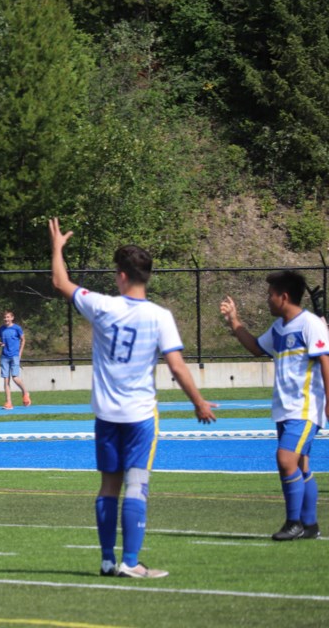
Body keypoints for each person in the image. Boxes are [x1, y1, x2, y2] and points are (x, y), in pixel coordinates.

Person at [49, 218, 215, 578]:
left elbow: (60, 282)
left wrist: (58, 247)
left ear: (121, 275)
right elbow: (177, 367)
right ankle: (130, 562)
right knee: (137, 484)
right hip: (140, 415)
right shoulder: (160, 316)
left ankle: (108, 560)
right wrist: (198, 402)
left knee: (109, 484)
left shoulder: (103, 306)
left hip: (107, 414)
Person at [220, 271, 329, 541]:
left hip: (305, 408)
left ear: (284, 297)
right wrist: (234, 321)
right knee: (301, 464)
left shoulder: (309, 324)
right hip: (284, 408)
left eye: (270, 295)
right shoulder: (280, 327)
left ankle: (293, 523)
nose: (267, 300)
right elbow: (257, 348)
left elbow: (326, 361)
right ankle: (310, 526)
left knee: (285, 459)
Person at [0, 310, 31, 409]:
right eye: (5, 317)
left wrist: (20, 353)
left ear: (12, 318)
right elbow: (1, 341)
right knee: (6, 380)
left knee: (15, 378)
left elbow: (23, 339)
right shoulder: (1, 329)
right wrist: (0, 344)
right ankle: (8, 402)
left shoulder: (17, 328)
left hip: (14, 355)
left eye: (8, 317)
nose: (6, 319)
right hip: (4, 356)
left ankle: (25, 392)